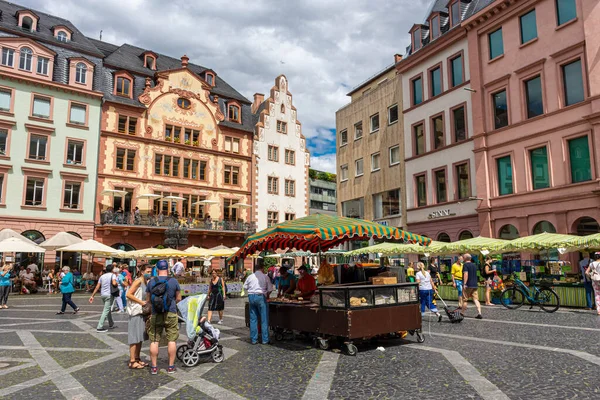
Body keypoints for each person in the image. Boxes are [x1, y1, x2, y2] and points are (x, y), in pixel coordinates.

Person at [146, 259, 181, 375]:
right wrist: (171, 303)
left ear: (157, 269)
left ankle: (154, 367)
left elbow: (148, 301)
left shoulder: (151, 282)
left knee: (154, 340)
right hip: (171, 313)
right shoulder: (174, 281)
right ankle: (170, 367)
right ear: (167, 269)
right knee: (171, 340)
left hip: (156, 314)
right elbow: (179, 298)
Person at [126, 264, 152, 369]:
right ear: (142, 272)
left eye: (150, 271)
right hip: (136, 312)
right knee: (134, 337)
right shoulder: (138, 281)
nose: (149, 273)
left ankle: (137, 358)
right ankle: (132, 361)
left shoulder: (145, 282)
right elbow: (129, 294)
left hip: (142, 312)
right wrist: (141, 302)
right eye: (148, 271)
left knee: (139, 337)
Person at [244, 264, 273, 345]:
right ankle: (265, 340)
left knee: (253, 319)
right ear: (262, 268)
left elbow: (245, 287)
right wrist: (267, 294)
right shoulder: (265, 276)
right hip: (261, 296)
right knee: (264, 319)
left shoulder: (250, 277)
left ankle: (254, 339)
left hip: (251, 296)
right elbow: (270, 289)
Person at [89, 265, 119, 332]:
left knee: (107, 309)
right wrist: (117, 284)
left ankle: (111, 323)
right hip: (109, 295)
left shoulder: (102, 276)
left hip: (103, 295)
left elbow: (97, 286)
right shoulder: (113, 275)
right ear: (112, 270)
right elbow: (114, 283)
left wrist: (92, 296)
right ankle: (100, 327)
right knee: (106, 310)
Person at [462, 253, 482, 319]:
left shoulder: (465, 265)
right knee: (476, 299)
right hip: (474, 284)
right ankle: (479, 313)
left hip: (468, 285)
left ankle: (462, 313)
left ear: (465, 258)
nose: (462, 258)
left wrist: (464, 283)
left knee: (465, 299)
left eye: (463, 257)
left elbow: (466, 274)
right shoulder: (474, 265)